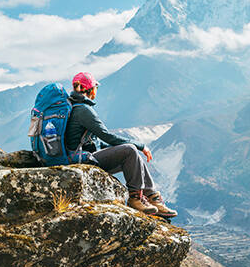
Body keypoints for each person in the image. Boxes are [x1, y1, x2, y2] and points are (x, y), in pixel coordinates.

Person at [64, 71, 177, 219]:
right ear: (91, 90)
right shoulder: (83, 110)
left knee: (131, 153)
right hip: (80, 160)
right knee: (130, 150)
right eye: (95, 87)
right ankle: (135, 198)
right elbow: (108, 137)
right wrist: (140, 145)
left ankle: (152, 197)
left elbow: (97, 142)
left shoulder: (76, 107)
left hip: (79, 157)